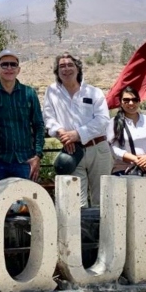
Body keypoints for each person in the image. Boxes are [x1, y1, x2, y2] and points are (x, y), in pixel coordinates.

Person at [43, 52, 111, 207]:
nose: (66, 69)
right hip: (72, 151)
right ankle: (83, 232)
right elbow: (48, 117)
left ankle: (100, 232)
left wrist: (77, 134)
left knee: (102, 199)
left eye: (69, 65)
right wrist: (59, 131)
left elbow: (102, 120)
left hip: (98, 149)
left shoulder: (94, 92)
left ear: (78, 69)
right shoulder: (51, 91)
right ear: (57, 71)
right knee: (76, 202)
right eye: (62, 66)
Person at [0, 49, 45, 184]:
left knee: (24, 202)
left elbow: (38, 125)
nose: (9, 68)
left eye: (13, 64)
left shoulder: (29, 93)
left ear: (18, 69)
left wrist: (37, 155)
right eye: (4, 64)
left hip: (25, 160)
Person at [107, 85, 146, 175]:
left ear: (139, 101)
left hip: (145, 170)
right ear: (121, 102)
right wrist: (135, 159)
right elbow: (114, 148)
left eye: (134, 100)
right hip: (122, 171)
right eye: (126, 100)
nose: (131, 103)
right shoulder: (113, 122)